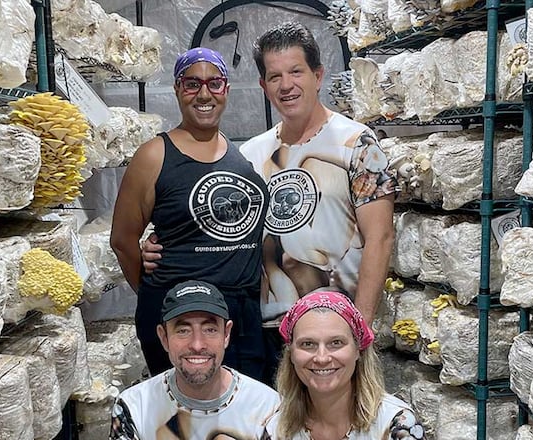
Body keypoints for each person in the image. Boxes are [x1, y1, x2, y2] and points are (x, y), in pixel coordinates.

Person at [142, 22, 398, 383]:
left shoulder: (356, 144)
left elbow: (381, 238)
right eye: (274, 76)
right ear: (263, 86)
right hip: (266, 329)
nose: (286, 85)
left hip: (333, 328)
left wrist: (361, 328)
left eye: (296, 71)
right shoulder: (251, 153)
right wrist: (156, 247)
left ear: (318, 75)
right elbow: (223, 226)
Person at [110, 48, 269, 379]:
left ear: (226, 89)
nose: (204, 94)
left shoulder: (238, 155)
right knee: (185, 420)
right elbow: (123, 240)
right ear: (177, 90)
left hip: (241, 315)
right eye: (192, 84)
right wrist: (158, 294)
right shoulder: (154, 155)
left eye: (215, 83)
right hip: (183, 317)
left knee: (244, 418)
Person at [109, 280, 281, 440]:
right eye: (183, 330)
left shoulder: (267, 407)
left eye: (210, 329)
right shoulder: (134, 406)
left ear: (226, 334)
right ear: (164, 337)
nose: (197, 345)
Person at [260, 290, 425, 440]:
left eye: (336, 343)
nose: (322, 358)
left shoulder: (396, 425)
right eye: (308, 344)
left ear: (358, 350)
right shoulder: (277, 430)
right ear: (291, 355)